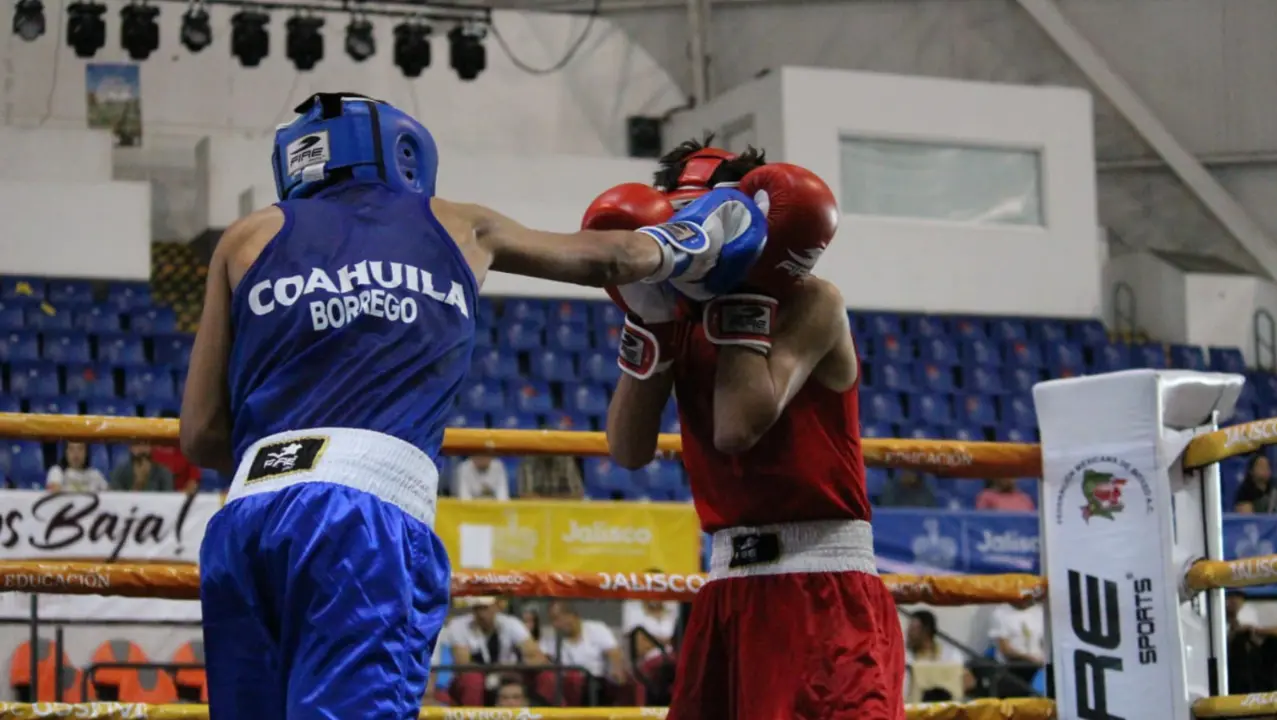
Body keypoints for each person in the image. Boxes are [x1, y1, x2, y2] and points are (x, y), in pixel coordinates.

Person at [181, 94, 769, 720]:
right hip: (362, 520)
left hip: (245, 522)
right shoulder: (459, 223)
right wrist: (703, 234)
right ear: (402, 151)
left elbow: (201, 435)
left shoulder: (244, 238)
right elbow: (615, 258)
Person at [599, 139, 905, 719]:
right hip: (727, 591)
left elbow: (738, 427)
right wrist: (652, 322)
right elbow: (628, 448)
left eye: (705, 220)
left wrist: (744, 285)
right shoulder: (675, 314)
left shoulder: (812, 301)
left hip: (821, 586)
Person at [109, 442, 175, 492]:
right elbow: (116, 500)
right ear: (130, 448)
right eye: (137, 444)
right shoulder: (120, 471)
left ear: (150, 447)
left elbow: (167, 500)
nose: (141, 449)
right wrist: (138, 484)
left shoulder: (163, 472)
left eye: (145, 444)